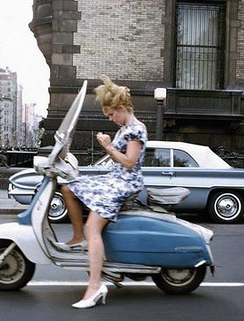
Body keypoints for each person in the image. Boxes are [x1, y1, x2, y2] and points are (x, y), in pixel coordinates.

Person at [57, 75, 147, 309]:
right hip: (114, 178)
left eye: (110, 114)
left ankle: (95, 285)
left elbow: (129, 162)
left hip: (124, 183)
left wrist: (107, 146)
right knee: (68, 186)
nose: (110, 119)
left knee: (93, 227)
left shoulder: (135, 130)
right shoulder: (125, 128)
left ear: (121, 108)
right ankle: (78, 238)